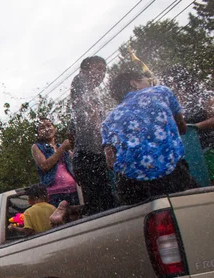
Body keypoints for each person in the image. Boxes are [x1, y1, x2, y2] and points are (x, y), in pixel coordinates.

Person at [102, 71, 195, 205]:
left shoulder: (109, 120)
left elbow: (110, 162)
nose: (150, 82)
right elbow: (182, 127)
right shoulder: (161, 92)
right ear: (134, 83)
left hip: (133, 186)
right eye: (147, 79)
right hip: (171, 176)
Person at [70, 56, 118, 214]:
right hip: (87, 157)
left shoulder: (93, 93)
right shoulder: (80, 83)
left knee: (104, 202)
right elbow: (93, 121)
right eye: (98, 69)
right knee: (101, 206)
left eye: (104, 70)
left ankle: (70, 210)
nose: (102, 74)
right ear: (85, 70)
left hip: (92, 155)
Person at [31, 118, 79, 207]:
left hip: (73, 190)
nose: (46, 129)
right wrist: (62, 148)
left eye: (49, 126)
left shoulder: (61, 147)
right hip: (54, 194)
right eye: (42, 128)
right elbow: (44, 165)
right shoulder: (37, 147)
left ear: (55, 128)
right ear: (37, 133)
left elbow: (75, 163)